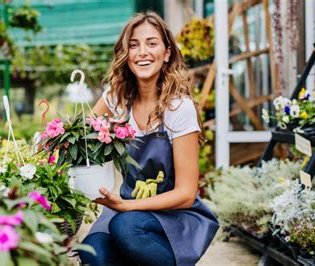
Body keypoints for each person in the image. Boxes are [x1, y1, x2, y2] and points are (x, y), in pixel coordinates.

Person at [78, 12, 219, 266]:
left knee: (126, 229)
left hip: (173, 214)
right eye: (134, 45)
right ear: (126, 55)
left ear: (166, 53)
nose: (142, 51)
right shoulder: (116, 98)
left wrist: (126, 207)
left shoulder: (179, 108)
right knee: (92, 253)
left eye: (151, 43)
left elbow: (187, 193)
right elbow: (79, 136)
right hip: (127, 209)